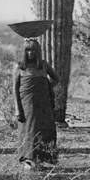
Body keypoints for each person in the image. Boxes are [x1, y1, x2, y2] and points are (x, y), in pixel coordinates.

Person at [13, 38, 59, 170]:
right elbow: (15, 89)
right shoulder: (20, 67)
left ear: (38, 51)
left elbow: (56, 78)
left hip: (43, 104)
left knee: (44, 129)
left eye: (33, 50)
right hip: (27, 105)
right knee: (28, 130)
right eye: (27, 50)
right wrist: (17, 109)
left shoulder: (43, 65)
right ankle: (28, 161)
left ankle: (40, 160)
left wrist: (46, 88)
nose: (30, 53)